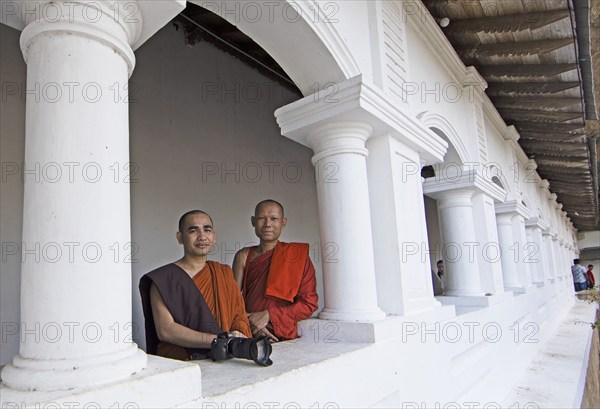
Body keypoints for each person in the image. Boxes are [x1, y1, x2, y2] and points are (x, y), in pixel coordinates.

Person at [139, 210, 251, 361]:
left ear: (214, 236)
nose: (202, 236)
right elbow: (166, 330)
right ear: (180, 237)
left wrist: (237, 333)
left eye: (207, 229)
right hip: (182, 362)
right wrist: (218, 341)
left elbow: (239, 315)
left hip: (224, 358)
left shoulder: (223, 273)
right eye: (193, 230)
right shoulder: (164, 279)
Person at [233, 200, 318, 342]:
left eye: (274, 219)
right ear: (253, 221)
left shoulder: (297, 257)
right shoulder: (243, 256)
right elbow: (232, 301)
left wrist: (269, 315)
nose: (267, 224)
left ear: (283, 222)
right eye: (261, 218)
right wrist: (249, 321)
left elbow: (309, 304)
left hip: (282, 334)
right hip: (249, 332)